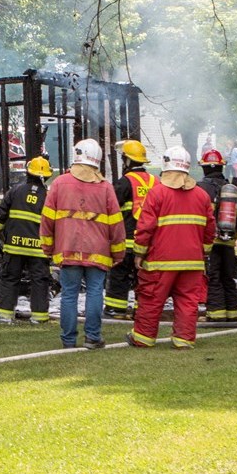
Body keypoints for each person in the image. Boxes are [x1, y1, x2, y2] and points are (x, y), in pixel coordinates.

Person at [126, 146, 216, 349]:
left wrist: (139, 253)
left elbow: (145, 227)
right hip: (192, 262)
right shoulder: (202, 196)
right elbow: (210, 229)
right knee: (187, 301)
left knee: (151, 298)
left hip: (160, 261)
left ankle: (143, 338)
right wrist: (203, 253)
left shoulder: (157, 193)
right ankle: (184, 340)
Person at [41, 138, 124, 350]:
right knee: (95, 292)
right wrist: (118, 252)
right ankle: (92, 337)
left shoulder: (60, 183)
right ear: (96, 160)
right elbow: (116, 224)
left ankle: (68, 341)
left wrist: (48, 248)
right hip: (98, 251)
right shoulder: (105, 187)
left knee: (69, 294)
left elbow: (47, 219)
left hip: (67, 249)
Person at [0, 156, 53, 324]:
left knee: (10, 278)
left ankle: (4, 316)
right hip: (38, 249)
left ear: (28, 172)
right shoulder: (48, 196)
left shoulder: (15, 191)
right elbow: (53, 223)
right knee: (40, 281)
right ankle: (39, 318)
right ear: (46, 176)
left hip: (14, 247)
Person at [104, 139, 156, 318]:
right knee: (142, 279)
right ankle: (141, 311)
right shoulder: (154, 182)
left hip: (126, 242)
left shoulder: (124, 182)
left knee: (119, 276)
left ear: (127, 161)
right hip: (148, 243)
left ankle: (115, 309)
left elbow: (109, 208)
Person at [196, 149, 237, 321]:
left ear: (204, 168)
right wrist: (232, 238)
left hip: (209, 244)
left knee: (213, 277)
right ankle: (233, 314)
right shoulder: (230, 189)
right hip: (228, 243)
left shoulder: (199, 189)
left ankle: (215, 315)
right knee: (228, 278)